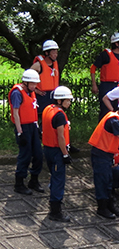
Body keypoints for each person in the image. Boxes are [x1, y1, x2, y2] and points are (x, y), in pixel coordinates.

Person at [88, 98, 119, 219]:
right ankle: (102, 208)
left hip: (106, 154)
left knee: (108, 180)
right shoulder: (113, 121)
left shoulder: (115, 119)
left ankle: (109, 205)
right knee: (102, 181)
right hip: (100, 154)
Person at [41, 86, 73, 222]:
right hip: (57, 151)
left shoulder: (48, 109)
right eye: (68, 100)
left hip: (47, 149)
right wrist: (65, 154)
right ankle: (55, 211)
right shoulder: (59, 115)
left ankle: (54, 204)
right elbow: (60, 137)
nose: (69, 102)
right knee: (58, 180)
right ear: (60, 101)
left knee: (54, 176)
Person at [10, 69, 44, 195]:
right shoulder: (17, 93)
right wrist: (20, 132)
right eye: (33, 84)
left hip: (32, 126)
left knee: (38, 154)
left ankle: (34, 180)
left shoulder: (30, 92)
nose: (35, 86)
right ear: (26, 82)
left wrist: (37, 128)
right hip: (23, 127)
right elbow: (16, 113)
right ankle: (19, 183)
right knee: (25, 155)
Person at [91, 33, 119, 119]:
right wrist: (94, 84)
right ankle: (102, 130)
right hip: (107, 85)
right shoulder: (105, 55)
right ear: (117, 44)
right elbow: (93, 68)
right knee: (105, 111)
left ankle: (117, 129)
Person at [30, 40, 60, 118]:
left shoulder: (55, 64)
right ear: (47, 53)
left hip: (53, 96)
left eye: (56, 52)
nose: (55, 55)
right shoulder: (38, 65)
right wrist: (35, 90)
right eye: (53, 52)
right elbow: (26, 80)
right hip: (42, 97)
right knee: (42, 118)